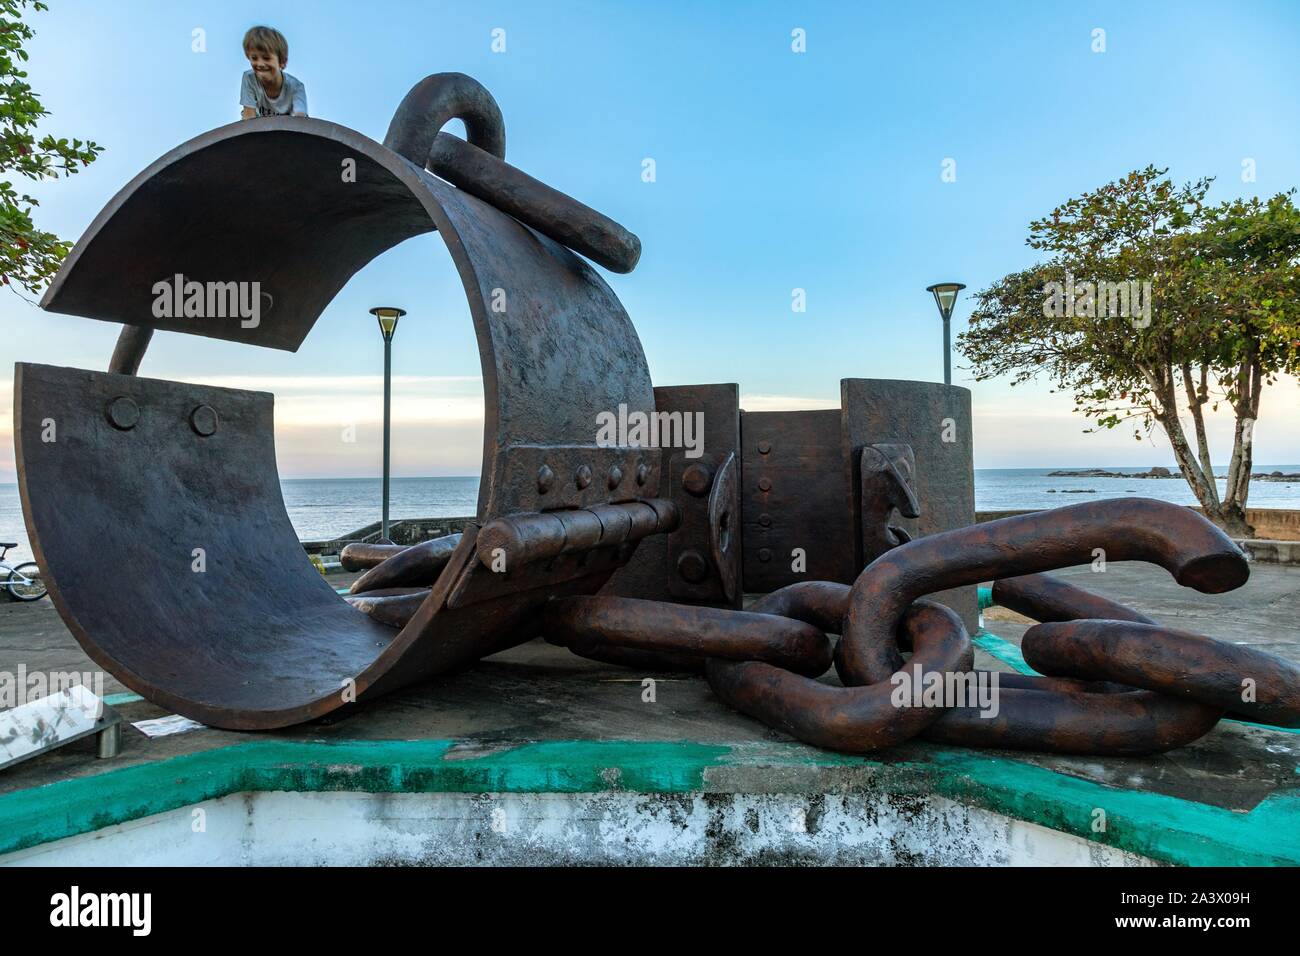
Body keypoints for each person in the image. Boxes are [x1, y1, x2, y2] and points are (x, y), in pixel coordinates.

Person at [239, 25, 307, 119]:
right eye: (254, 58)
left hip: (286, 130)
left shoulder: (295, 87)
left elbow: (300, 120)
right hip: (257, 129)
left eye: (266, 58)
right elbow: (248, 117)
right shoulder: (250, 79)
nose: (260, 64)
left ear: (282, 62)